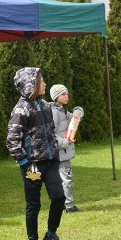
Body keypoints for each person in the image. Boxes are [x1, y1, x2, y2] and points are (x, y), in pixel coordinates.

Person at [6, 68, 68, 240]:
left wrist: (56, 151)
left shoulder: (45, 105)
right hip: (32, 166)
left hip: (50, 162)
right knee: (34, 204)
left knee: (59, 197)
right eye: (41, 82)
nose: (45, 84)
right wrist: (25, 163)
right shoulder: (20, 110)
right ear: (31, 85)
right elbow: (12, 141)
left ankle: (50, 235)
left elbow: (50, 132)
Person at [49, 84, 79, 213]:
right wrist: (66, 142)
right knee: (67, 179)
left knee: (61, 179)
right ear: (55, 97)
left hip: (62, 151)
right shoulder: (55, 112)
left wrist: (78, 113)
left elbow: (74, 117)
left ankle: (61, 204)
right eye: (63, 94)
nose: (66, 96)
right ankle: (69, 206)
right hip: (60, 152)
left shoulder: (62, 110)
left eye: (67, 93)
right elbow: (51, 134)